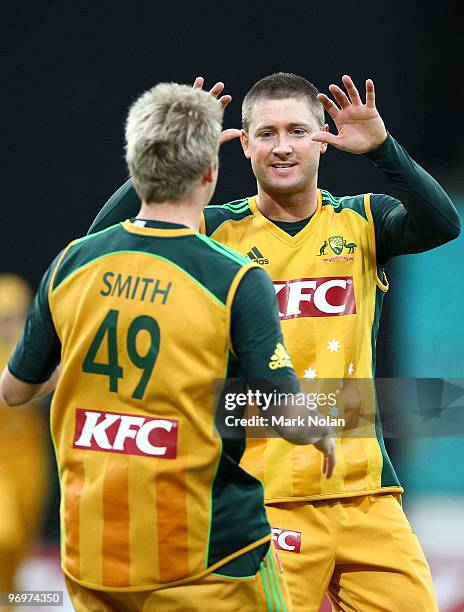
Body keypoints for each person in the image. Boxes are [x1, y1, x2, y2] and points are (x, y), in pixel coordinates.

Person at [88, 72, 461, 611]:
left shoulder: (361, 220)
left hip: (368, 498)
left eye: (296, 131)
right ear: (242, 144)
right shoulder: (213, 230)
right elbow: (109, 243)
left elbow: (443, 224)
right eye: (265, 133)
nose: (282, 147)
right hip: (265, 498)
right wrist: (175, 155)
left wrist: (383, 149)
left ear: (322, 139)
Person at [0, 82, 336, 611]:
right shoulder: (233, 278)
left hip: (93, 558)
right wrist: (321, 430)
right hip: (207, 560)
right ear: (210, 172)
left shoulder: (71, 263)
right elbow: (286, 413)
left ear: (134, 169)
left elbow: (15, 392)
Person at [0, 275, 49, 608]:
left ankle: (11, 601)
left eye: (15, 316)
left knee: (24, 542)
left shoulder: (32, 349)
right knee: (5, 533)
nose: (9, 325)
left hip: (31, 459)